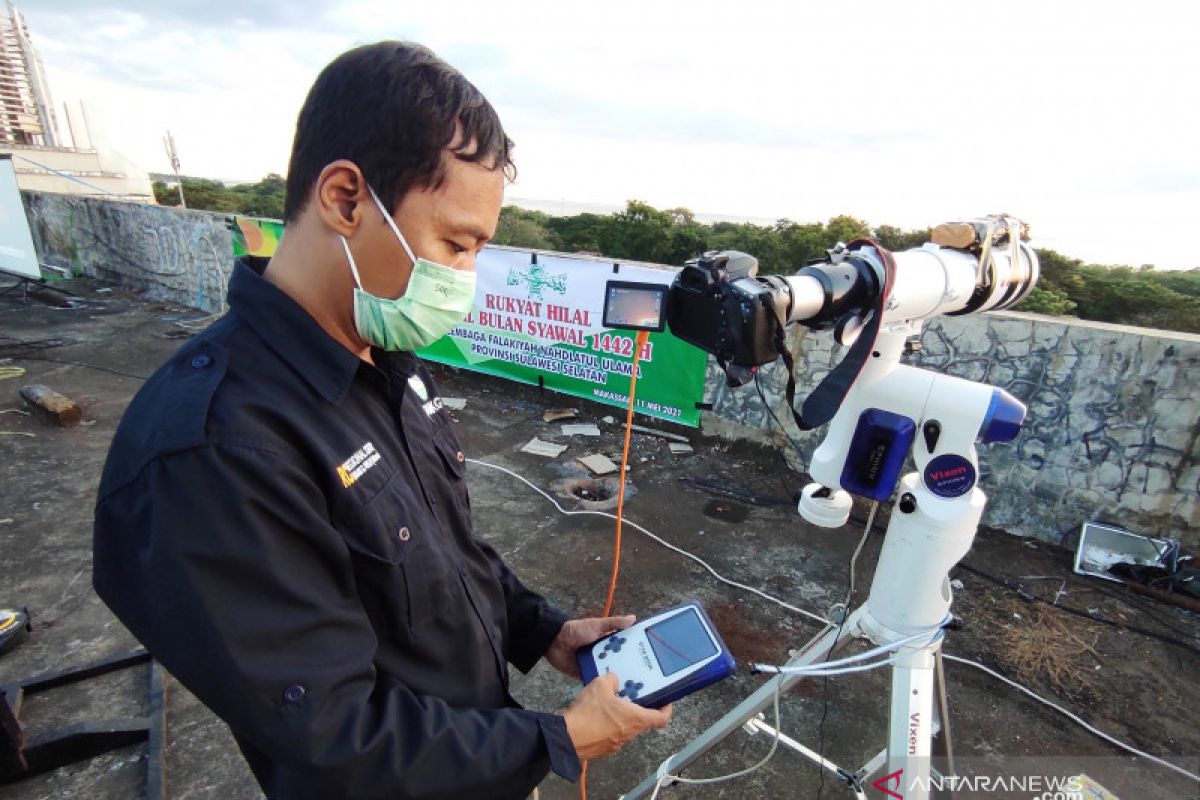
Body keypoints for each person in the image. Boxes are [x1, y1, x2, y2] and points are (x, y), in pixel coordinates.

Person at [92, 41, 671, 799]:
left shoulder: (381, 356)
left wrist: (543, 630)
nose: (463, 279)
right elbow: (334, 738)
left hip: (481, 759)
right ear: (344, 200)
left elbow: (444, 551)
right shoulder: (215, 449)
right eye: (454, 244)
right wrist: (558, 737)